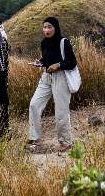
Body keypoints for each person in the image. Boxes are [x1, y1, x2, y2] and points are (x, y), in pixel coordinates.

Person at [27, 16, 78, 152]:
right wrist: (40, 62)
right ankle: (34, 138)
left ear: (56, 28)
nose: (46, 30)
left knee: (61, 110)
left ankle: (65, 142)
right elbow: (46, 59)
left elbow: (72, 62)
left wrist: (58, 65)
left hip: (61, 77)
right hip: (46, 76)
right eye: (44, 27)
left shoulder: (63, 42)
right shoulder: (44, 43)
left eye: (50, 27)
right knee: (34, 104)